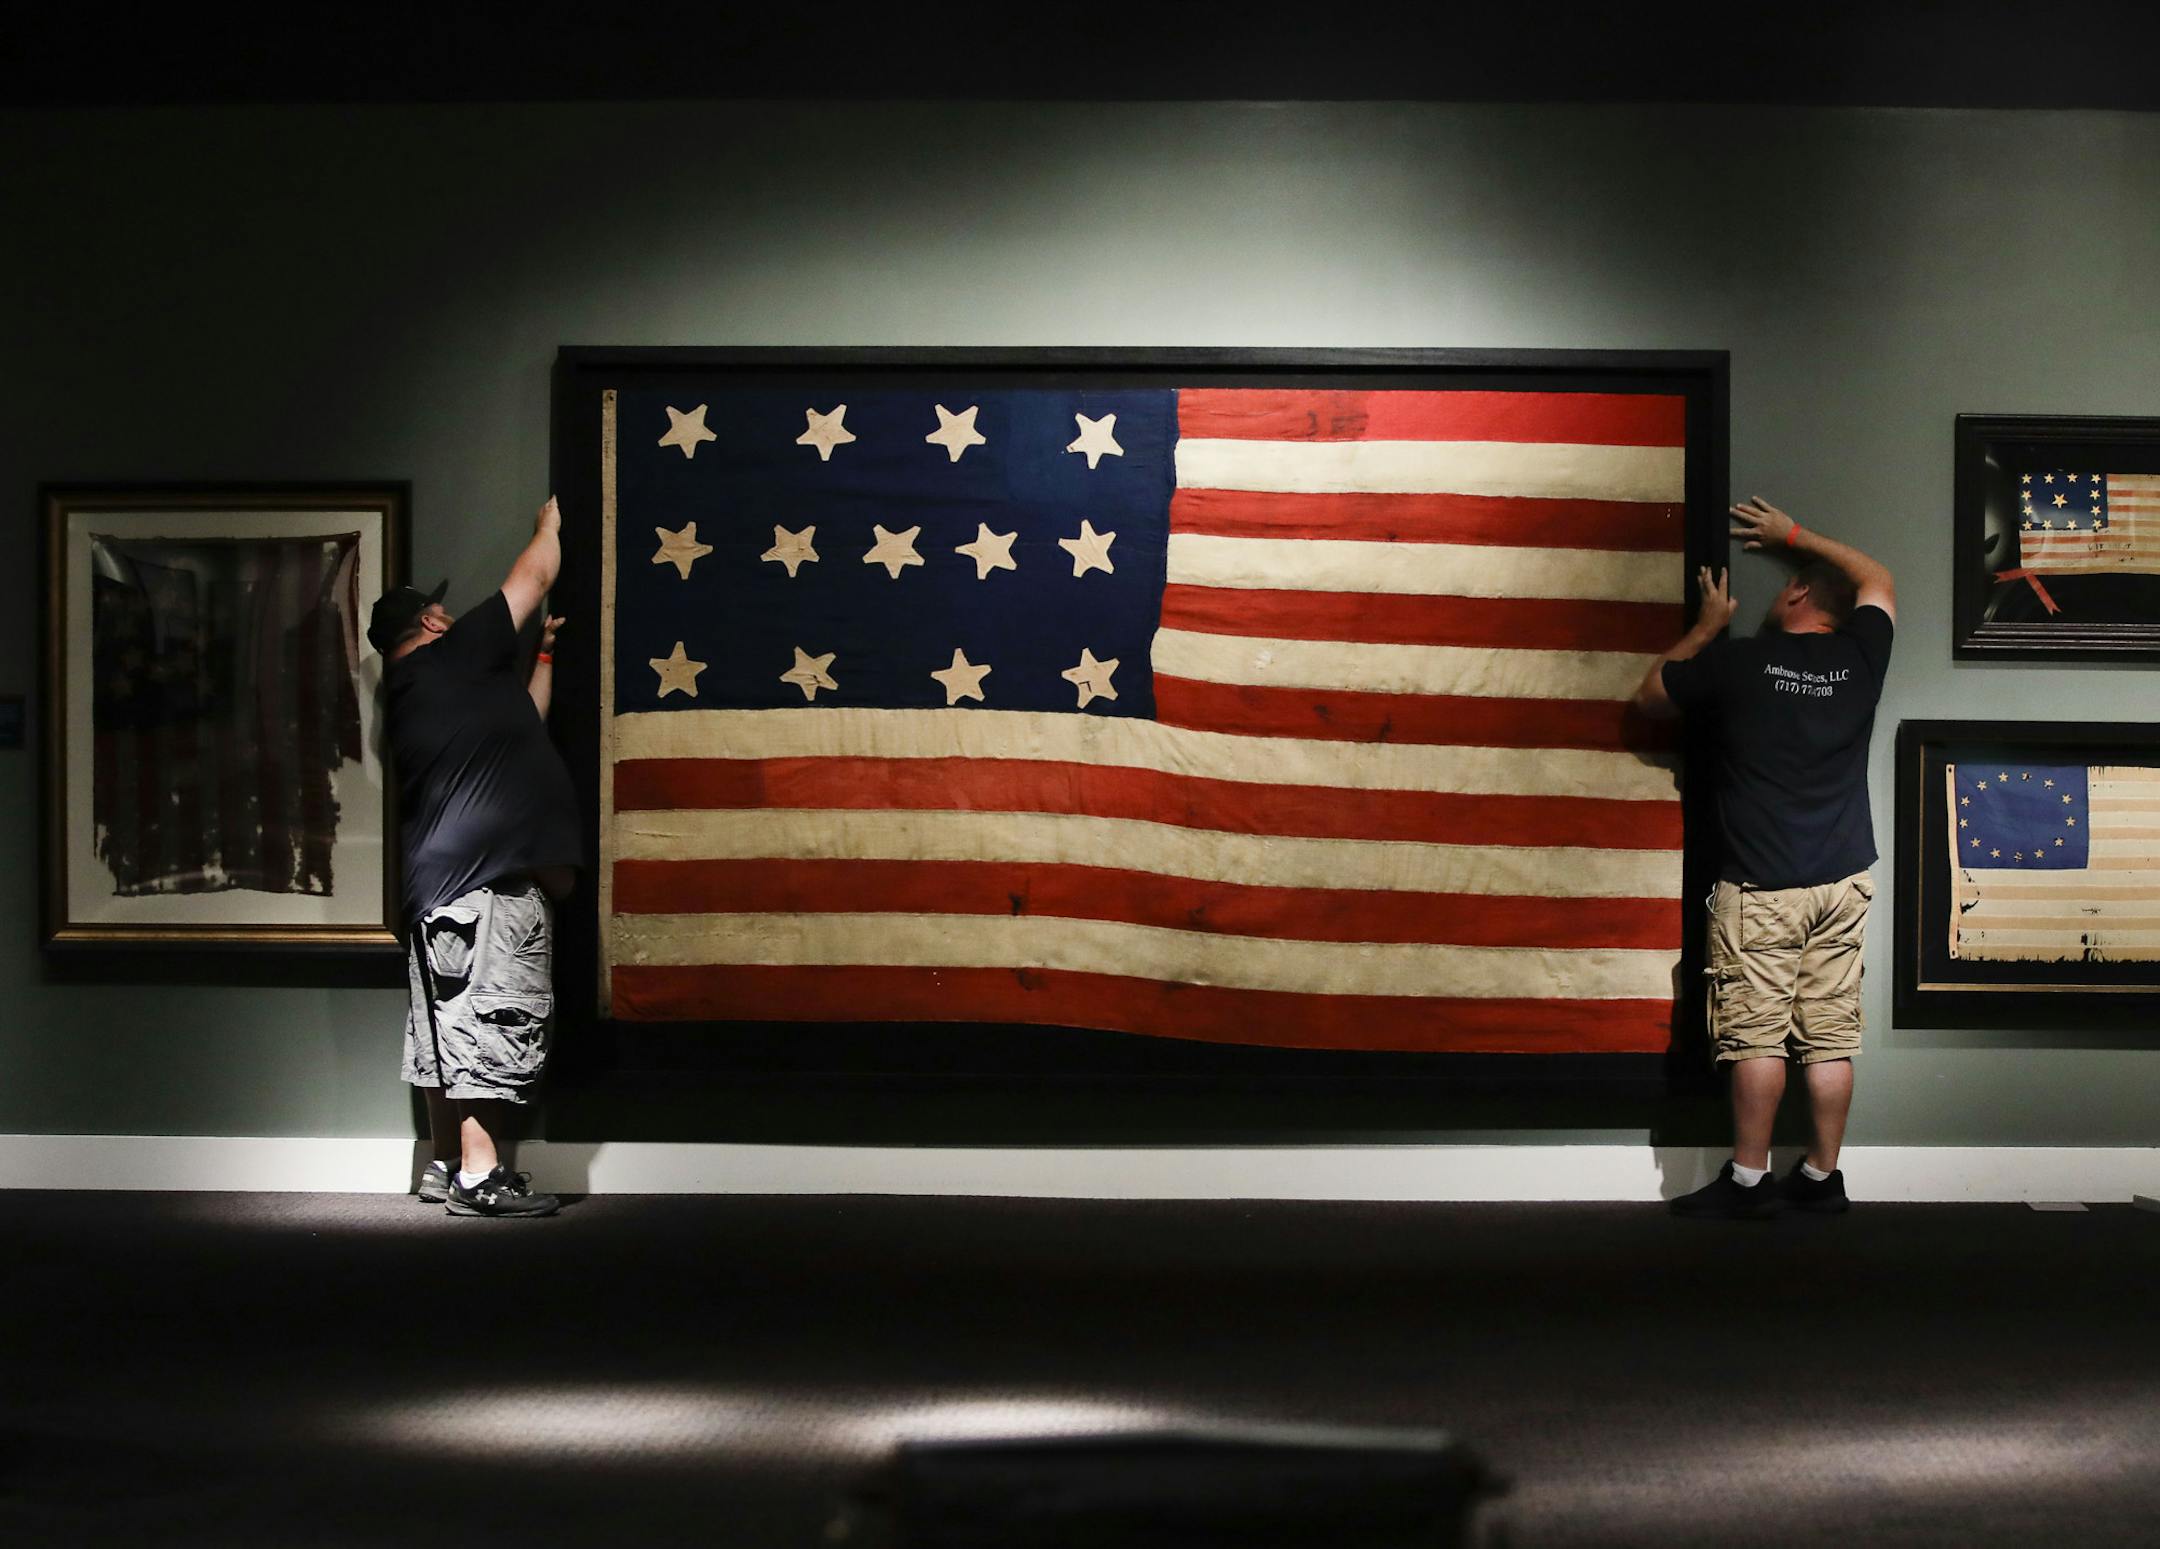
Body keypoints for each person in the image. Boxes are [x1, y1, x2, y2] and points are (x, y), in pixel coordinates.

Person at [1634, 496, 1896, 1219]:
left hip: (1763, 884)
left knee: (1757, 1032)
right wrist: (1794, 535)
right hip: (1844, 878)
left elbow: (1652, 696)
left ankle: (1748, 1181)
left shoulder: (1740, 662)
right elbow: (1879, 578)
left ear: (1799, 593)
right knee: (1831, 1036)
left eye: (1791, 576)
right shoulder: (1863, 657)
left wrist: (1708, 625)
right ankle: (1822, 1175)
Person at [367, 496, 580, 1218]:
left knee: (442, 1027)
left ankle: (444, 1164)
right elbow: (534, 572)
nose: (449, 616)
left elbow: (521, 722)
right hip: (483, 887)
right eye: (441, 610)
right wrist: (549, 525)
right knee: (487, 1017)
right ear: (428, 623)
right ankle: (480, 1174)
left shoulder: (423, 691)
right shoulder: (448, 658)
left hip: (441, 889)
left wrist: (544, 652)